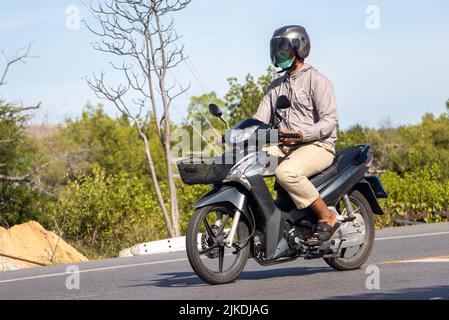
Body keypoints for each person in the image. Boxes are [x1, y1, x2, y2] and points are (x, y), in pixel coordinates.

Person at [254, 25, 339, 246]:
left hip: (318, 145)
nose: (279, 54)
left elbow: (330, 121)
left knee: (286, 173)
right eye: (276, 49)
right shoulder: (275, 87)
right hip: (284, 146)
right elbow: (258, 120)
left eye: (284, 49)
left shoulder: (318, 81)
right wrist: (234, 134)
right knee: (247, 166)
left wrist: (301, 135)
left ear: (299, 49)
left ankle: (327, 216)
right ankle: (272, 219)